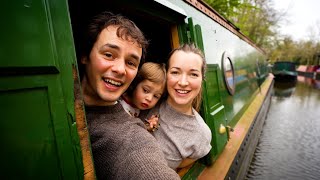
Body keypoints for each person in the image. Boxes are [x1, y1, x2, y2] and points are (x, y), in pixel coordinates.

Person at [80, 11, 179, 179]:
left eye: (131, 63)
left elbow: (144, 159)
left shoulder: (131, 136)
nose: (120, 69)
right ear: (85, 56)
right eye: (109, 55)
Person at [142, 44, 212, 170]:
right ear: (166, 74)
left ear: (202, 79)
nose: (183, 82)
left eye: (193, 74)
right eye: (175, 72)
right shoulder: (146, 99)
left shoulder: (201, 136)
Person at [119, 62, 166, 131]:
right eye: (145, 90)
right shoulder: (118, 102)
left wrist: (146, 126)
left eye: (156, 96)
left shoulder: (137, 108)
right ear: (136, 83)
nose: (149, 99)